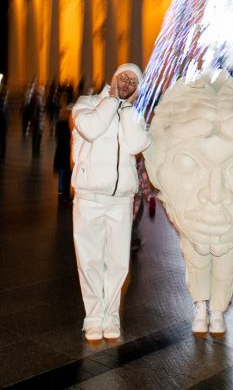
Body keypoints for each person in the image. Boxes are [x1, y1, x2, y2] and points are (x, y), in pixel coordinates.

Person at [144, 72, 233, 338]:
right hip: (197, 222)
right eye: (187, 163)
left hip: (230, 225)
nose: (215, 193)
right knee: (195, 257)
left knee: (227, 261)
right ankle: (200, 306)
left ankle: (217, 310)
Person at [71, 63, 151, 341]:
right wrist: (112, 101)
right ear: (113, 77)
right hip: (90, 195)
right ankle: (93, 317)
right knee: (90, 259)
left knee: (118, 262)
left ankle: (111, 316)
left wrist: (126, 109)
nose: (127, 82)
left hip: (120, 199)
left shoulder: (133, 114)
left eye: (133, 81)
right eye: (124, 77)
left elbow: (137, 144)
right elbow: (90, 129)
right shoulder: (88, 103)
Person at [53, 105, 72, 204]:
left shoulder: (59, 124)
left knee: (62, 173)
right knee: (67, 175)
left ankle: (61, 191)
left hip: (60, 152)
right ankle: (66, 194)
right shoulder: (68, 126)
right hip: (66, 153)